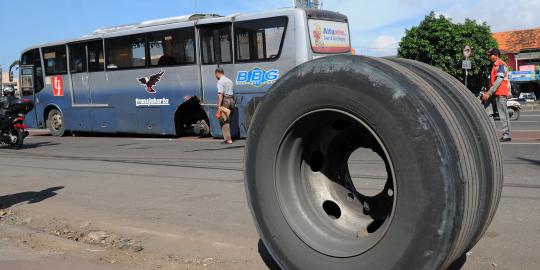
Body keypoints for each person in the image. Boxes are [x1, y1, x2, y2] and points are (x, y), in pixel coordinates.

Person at [482, 48, 512, 142]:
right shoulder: (494, 65)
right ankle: (492, 133)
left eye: (490, 55)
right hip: (494, 92)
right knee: (488, 110)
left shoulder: (501, 65)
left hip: (500, 93)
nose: (489, 57)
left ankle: (506, 135)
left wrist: (489, 93)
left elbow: (499, 80)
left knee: (503, 114)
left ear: (496, 55)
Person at [214, 67, 235, 144]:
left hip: (225, 100)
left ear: (217, 73)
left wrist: (219, 106)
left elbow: (220, 94)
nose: (215, 76)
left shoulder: (220, 82)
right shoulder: (230, 81)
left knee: (223, 120)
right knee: (228, 119)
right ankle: (229, 137)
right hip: (232, 100)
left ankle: (228, 139)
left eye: (215, 75)